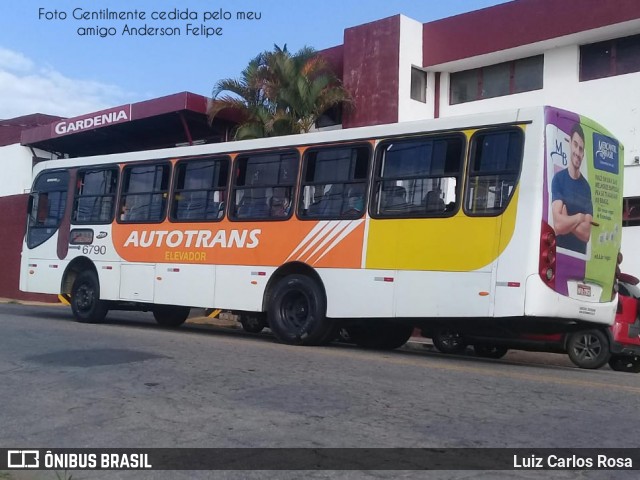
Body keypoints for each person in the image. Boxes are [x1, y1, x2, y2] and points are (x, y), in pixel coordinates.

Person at [551, 123, 593, 254]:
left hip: (579, 257)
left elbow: (586, 235)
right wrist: (579, 218)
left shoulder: (586, 188)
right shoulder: (558, 179)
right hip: (559, 253)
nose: (578, 152)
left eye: (581, 149)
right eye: (575, 145)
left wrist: (567, 218)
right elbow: (557, 225)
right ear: (569, 143)